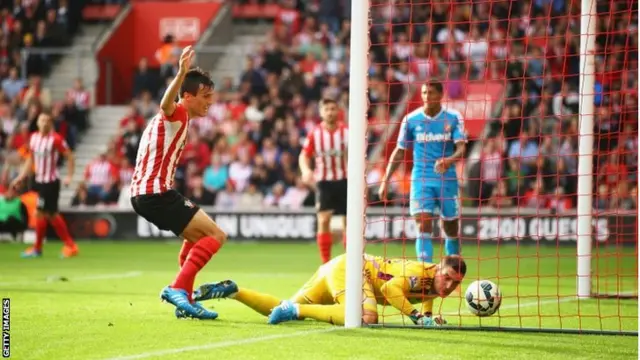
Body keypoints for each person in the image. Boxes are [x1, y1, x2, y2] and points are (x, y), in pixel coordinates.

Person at [129, 46, 226, 320]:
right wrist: (181, 72)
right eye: (205, 96)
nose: (210, 102)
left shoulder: (181, 119)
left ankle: (187, 301)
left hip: (146, 194)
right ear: (187, 96)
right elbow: (165, 105)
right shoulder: (178, 113)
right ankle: (178, 289)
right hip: (156, 193)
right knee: (216, 236)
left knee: (196, 239)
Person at [192, 254, 466, 326]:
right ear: (438, 269)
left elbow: (427, 295)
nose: (450, 286)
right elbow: (392, 288)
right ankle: (296, 309)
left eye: (455, 283)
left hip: (335, 269)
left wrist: (430, 317)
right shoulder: (418, 273)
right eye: (448, 278)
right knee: (365, 316)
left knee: (281, 307)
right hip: (354, 270)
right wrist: (417, 316)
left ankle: (234, 291)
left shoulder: (433, 283)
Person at [379, 81, 467, 263]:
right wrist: (385, 180)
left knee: (450, 227)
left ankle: (453, 268)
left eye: (431, 93)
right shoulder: (411, 120)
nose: (427, 97)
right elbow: (400, 151)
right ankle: (424, 271)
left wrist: (449, 160)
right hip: (421, 178)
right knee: (423, 223)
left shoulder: (453, 117)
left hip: (446, 179)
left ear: (441, 95)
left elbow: (461, 148)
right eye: (424, 93)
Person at [11, 113, 78, 258]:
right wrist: (21, 177)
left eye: (47, 120)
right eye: (42, 120)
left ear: (50, 123)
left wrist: (69, 176)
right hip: (40, 181)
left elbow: (69, 156)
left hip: (51, 182)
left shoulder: (56, 139)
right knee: (47, 214)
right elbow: (31, 159)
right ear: (38, 123)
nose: (45, 123)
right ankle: (48, 247)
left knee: (44, 213)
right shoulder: (34, 138)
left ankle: (65, 246)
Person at [299, 98, 348, 264]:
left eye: (333, 108)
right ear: (321, 112)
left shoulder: (348, 132)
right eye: (327, 109)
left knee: (349, 221)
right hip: (324, 182)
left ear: (338, 111)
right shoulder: (315, 133)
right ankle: (325, 263)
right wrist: (306, 170)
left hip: (346, 180)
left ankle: (350, 261)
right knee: (324, 219)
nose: (330, 112)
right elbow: (304, 155)